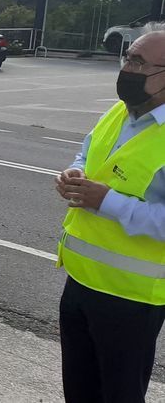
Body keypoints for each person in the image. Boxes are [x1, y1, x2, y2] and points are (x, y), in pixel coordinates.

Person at [56, 30, 165, 402]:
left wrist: (108, 202)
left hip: (131, 298)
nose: (127, 69)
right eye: (127, 58)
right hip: (81, 282)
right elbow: (86, 154)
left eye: (139, 63)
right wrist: (74, 173)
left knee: (119, 394)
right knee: (80, 390)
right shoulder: (119, 111)